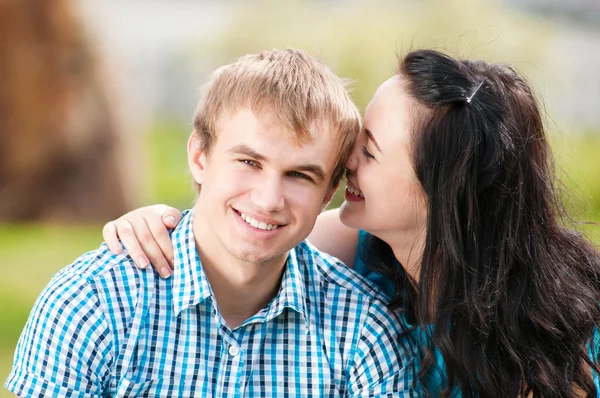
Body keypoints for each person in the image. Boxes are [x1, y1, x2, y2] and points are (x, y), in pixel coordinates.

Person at [103, 49, 600, 397]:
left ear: (440, 194)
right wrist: (157, 223)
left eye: (369, 151)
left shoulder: (561, 327)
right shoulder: (343, 243)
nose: (345, 165)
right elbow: (243, 238)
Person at [6, 49, 418, 397]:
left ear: (328, 194)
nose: (268, 199)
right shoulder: (90, 304)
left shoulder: (364, 328)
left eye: (299, 175)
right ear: (200, 157)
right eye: (249, 162)